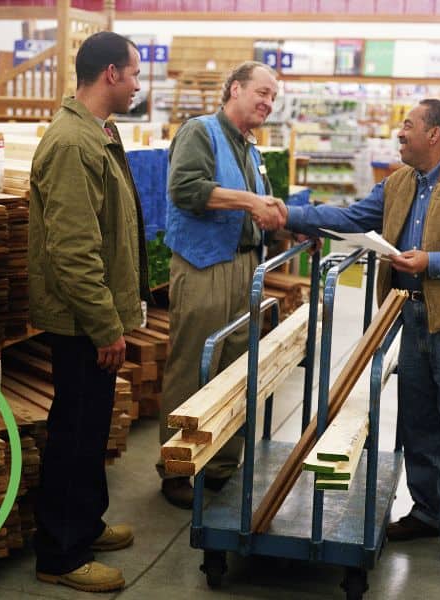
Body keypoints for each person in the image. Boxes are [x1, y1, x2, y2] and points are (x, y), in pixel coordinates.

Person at [285, 99, 440, 574]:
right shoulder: (398, 183)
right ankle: (428, 512)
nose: (399, 133)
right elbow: (352, 219)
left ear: (434, 135)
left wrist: (431, 262)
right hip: (411, 320)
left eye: (408, 126)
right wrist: (287, 215)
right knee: (418, 424)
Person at [28, 31, 150, 593]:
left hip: (94, 317)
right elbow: (73, 250)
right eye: (134, 73)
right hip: (81, 322)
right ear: (110, 75)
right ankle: (61, 553)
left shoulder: (99, 134)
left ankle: (86, 524)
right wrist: (105, 325)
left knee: (89, 427)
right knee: (75, 432)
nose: (137, 83)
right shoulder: (73, 143)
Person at [158, 61, 287, 509]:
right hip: (204, 265)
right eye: (262, 92)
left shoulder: (250, 148)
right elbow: (187, 190)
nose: (268, 103)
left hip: (244, 266)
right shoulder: (200, 131)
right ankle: (176, 469)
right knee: (195, 365)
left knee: (235, 366)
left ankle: (219, 465)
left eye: (274, 97)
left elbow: (256, 210)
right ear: (234, 88)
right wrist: (252, 201)